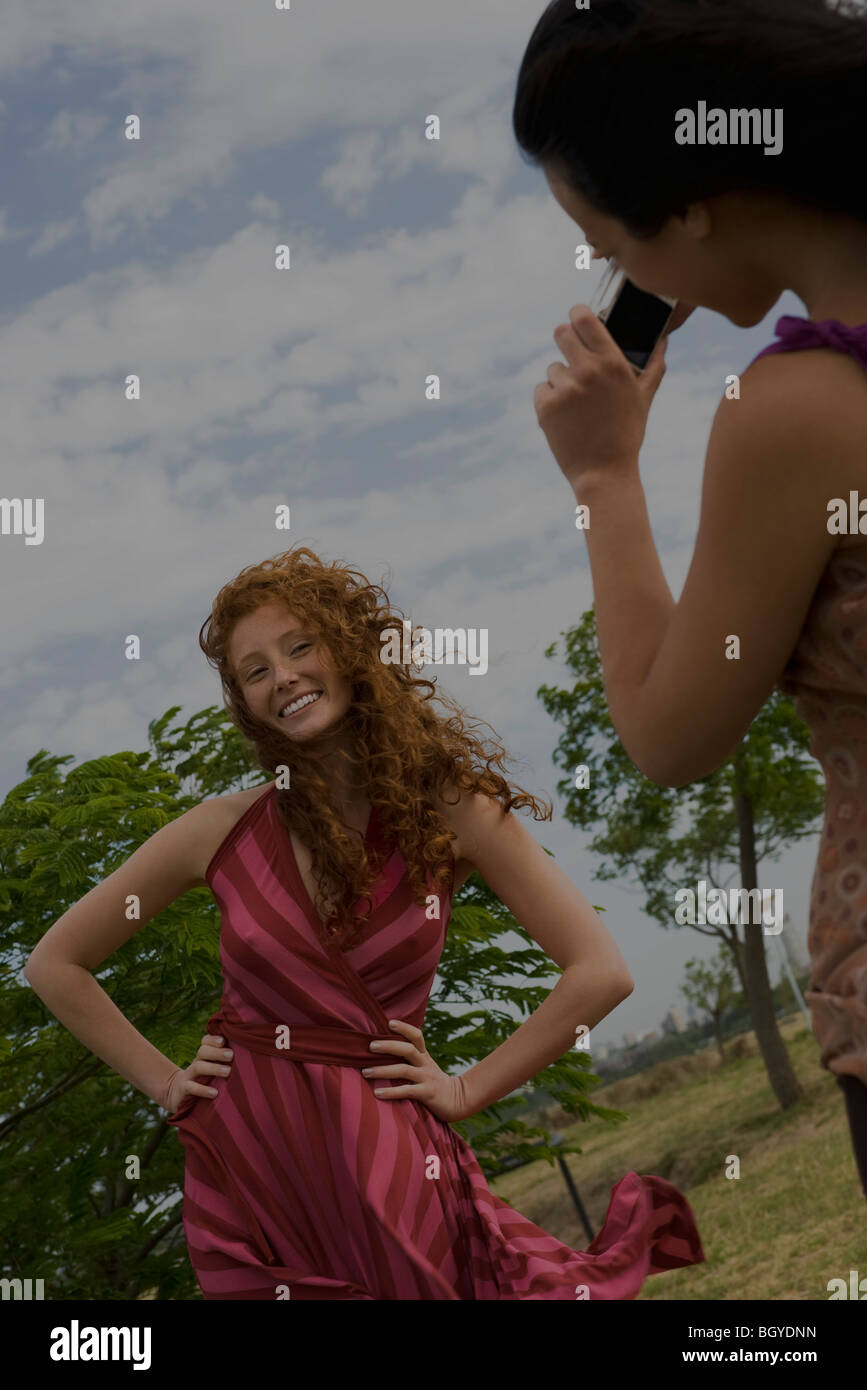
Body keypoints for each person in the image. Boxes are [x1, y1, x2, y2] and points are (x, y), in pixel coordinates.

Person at [24, 546, 704, 1299]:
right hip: (248, 1165)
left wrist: (466, 1089)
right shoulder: (215, 832)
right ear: (245, 703)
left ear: (349, 651)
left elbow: (600, 971)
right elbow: (55, 963)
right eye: (253, 671)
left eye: (298, 646)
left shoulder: (452, 808)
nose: (280, 676)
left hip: (388, 1160)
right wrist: (166, 1081)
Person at [512, 0, 867, 1196]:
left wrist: (606, 478)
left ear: (694, 200)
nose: (627, 281)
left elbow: (670, 735)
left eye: (613, 245)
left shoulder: (804, 411)